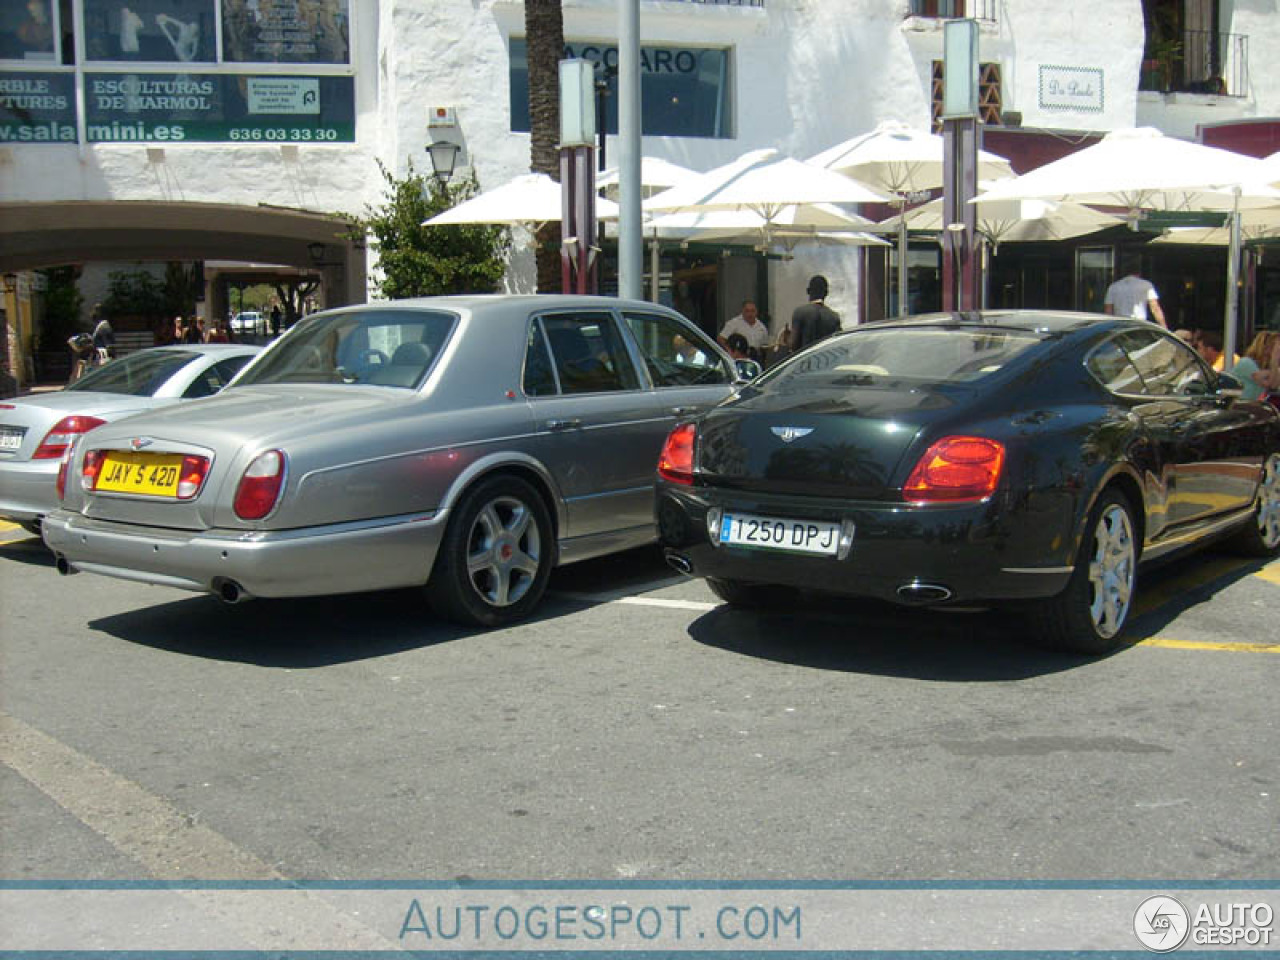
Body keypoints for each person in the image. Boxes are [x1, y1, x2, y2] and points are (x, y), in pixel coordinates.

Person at [1103, 260, 1166, 328]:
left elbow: (1108, 310)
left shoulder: (1114, 286)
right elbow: (1155, 308)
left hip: (1120, 325)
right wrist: (1164, 327)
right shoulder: (1146, 285)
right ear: (1139, 272)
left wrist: (1109, 327)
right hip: (1139, 324)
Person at [789, 275, 841, 353]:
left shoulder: (800, 312)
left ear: (808, 291)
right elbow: (837, 344)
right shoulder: (834, 316)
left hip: (804, 361)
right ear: (826, 293)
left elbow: (793, 344)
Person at [1232, 330, 1280, 402]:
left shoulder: (1264, 367)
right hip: (1238, 404)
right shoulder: (1246, 363)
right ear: (1267, 348)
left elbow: (1274, 385)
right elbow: (1268, 384)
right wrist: (1274, 358)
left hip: (1250, 403)